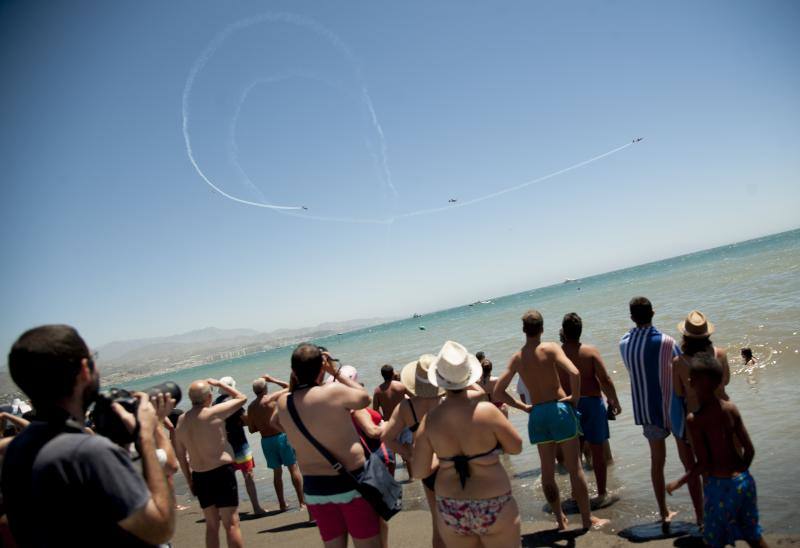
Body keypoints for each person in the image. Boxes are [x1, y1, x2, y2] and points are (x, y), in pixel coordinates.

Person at [2, 325, 175, 547]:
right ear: (85, 369)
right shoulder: (88, 452)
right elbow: (160, 529)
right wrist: (147, 434)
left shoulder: (17, 449)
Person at [495, 310, 608, 531]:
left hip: (537, 413)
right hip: (558, 409)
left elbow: (499, 391)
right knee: (574, 468)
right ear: (542, 328)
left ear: (523, 330)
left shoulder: (517, 357)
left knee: (547, 471)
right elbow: (574, 373)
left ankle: (559, 520)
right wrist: (574, 398)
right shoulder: (551, 348)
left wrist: (523, 406)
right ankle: (587, 520)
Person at [413, 340, 523, 547]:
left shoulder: (430, 420)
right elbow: (516, 447)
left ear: (439, 380)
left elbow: (419, 470)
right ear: (469, 376)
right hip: (494, 500)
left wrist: (444, 459)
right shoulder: (487, 412)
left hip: (452, 506)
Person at [274, 344, 381, 547]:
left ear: (293, 372)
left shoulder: (283, 403)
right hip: (352, 483)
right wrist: (337, 373)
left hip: (316, 489)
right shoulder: (333, 392)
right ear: (322, 369)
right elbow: (364, 397)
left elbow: (275, 422)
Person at [667, 354, 767, 548]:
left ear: (699, 384)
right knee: (753, 535)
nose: (689, 380)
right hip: (743, 483)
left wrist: (678, 482)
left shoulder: (694, 420)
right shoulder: (731, 408)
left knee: (714, 539)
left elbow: (703, 463)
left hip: (719, 487)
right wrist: (741, 475)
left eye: (692, 378)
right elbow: (750, 450)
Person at [619, 297, 680, 525]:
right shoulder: (668, 342)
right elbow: (682, 369)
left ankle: (664, 512)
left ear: (632, 317)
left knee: (657, 462)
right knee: (688, 460)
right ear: (653, 312)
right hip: (674, 409)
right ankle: (702, 510)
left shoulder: (624, 344)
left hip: (648, 410)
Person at [672, 310, 731, 525]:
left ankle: (709, 519)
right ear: (707, 335)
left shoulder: (679, 362)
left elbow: (678, 392)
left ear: (685, 337)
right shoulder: (720, 354)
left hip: (697, 421)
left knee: (705, 471)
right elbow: (726, 382)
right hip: (723, 415)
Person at [174, 379, 247, 548]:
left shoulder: (181, 421)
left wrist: (189, 480)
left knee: (212, 526)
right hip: (221, 472)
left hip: (199, 475)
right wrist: (220, 384)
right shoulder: (213, 412)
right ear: (209, 396)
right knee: (231, 524)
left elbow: (181, 455)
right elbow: (242, 397)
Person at [383, 354, 446, 548]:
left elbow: (386, 437)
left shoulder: (407, 406)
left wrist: (410, 454)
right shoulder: (446, 399)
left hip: (427, 466)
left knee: (438, 522)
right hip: (451, 460)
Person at [560, 313, 622, 502]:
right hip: (592, 404)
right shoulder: (590, 351)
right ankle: (602, 493)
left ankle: (576, 493)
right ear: (581, 330)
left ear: (563, 330)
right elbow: (604, 379)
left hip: (569, 404)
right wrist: (614, 400)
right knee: (597, 451)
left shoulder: (557, 354)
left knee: (574, 454)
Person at [247, 375, 305, 512]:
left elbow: (251, 429)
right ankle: (302, 502)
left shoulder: (251, 407)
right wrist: (272, 380)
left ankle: (282, 504)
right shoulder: (272, 399)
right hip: (281, 436)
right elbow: (289, 387)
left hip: (266, 441)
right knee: (293, 468)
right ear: (265, 388)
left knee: (277, 472)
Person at [214, 376, 266, 516]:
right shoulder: (234, 403)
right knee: (248, 475)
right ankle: (256, 507)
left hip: (224, 445)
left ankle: (228, 509)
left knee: (228, 478)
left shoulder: (215, 404)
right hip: (239, 443)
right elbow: (246, 420)